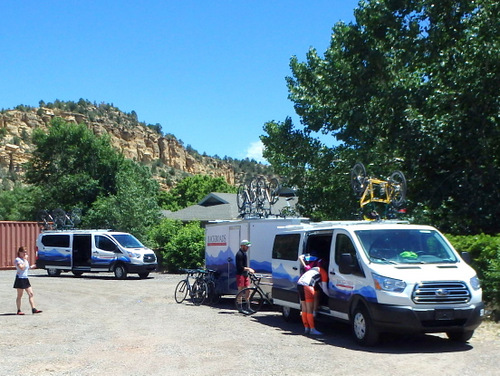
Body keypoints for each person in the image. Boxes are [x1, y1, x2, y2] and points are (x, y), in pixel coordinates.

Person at [297, 259, 328, 335]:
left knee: (304, 308)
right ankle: (312, 329)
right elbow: (324, 289)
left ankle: (306, 328)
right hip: (308, 286)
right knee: (310, 309)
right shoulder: (323, 272)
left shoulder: (312, 270)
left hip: (299, 284)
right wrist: (330, 295)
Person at [13, 246, 42, 315]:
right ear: (19, 252)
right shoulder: (17, 260)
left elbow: (27, 268)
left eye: (25, 252)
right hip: (20, 278)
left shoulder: (25, 260)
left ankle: (33, 309)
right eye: (23, 252)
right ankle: (19, 310)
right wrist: (25, 260)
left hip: (25, 278)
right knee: (20, 295)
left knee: (31, 294)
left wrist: (33, 266)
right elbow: (22, 267)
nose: (25, 253)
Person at [235, 240, 255, 314]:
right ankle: (240, 307)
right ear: (242, 246)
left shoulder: (244, 254)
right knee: (240, 291)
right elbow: (239, 267)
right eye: (247, 246)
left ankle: (248, 306)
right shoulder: (239, 254)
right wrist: (249, 269)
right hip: (240, 274)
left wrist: (247, 271)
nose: (248, 248)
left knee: (248, 290)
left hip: (245, 274)